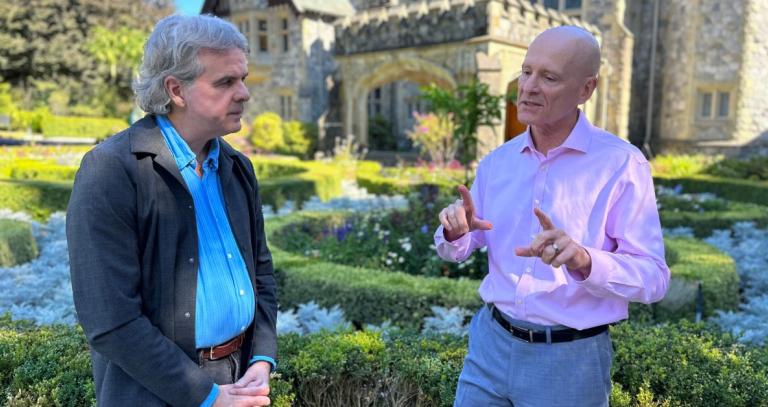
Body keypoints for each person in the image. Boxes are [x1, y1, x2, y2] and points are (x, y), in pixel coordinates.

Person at [435, 26, 670, 406]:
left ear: (586, 89)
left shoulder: (621, 164)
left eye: (549, 77)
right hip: (489, 347)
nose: (527, 87)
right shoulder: (497, 162)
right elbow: (456, 248)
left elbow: (654, 278)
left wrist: (584, 259)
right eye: (526, 72)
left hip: (569, 362)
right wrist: (454, 231)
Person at [67, 15, 277, 407]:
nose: (245, 93)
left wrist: (262, 358)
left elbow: (261, 273)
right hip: (154, 394)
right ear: (176, 90)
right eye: (226, 82)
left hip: (241, 380)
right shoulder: (112, 170)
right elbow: (110, 320)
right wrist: (207, 396)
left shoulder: (237, 168)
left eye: (243, 78)